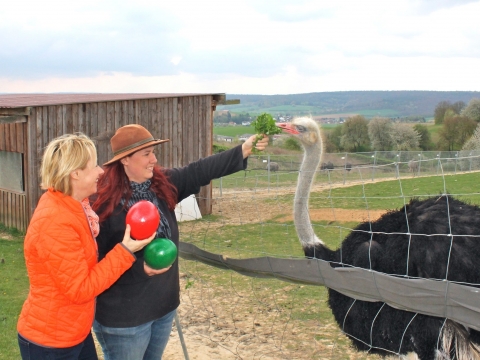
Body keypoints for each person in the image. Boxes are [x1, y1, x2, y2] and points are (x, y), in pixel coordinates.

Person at [91, 124, 269, 359]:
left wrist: (243, 149)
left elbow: (200, 170)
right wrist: (138, 267)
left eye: (153, 152)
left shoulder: (161, 185)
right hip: (125, 318)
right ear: (125, 160)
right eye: (146, 154)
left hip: (163, 307)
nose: (154, 159)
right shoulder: (101, 201)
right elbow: (94, 260)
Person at [17, 133, 155, 360]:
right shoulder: (56, 221)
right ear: (76, 173)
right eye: (93, 166)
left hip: (73, 332)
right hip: (50, 343)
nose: (101, 171)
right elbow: (80, 289)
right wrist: (126, 250)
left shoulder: (73, 206)